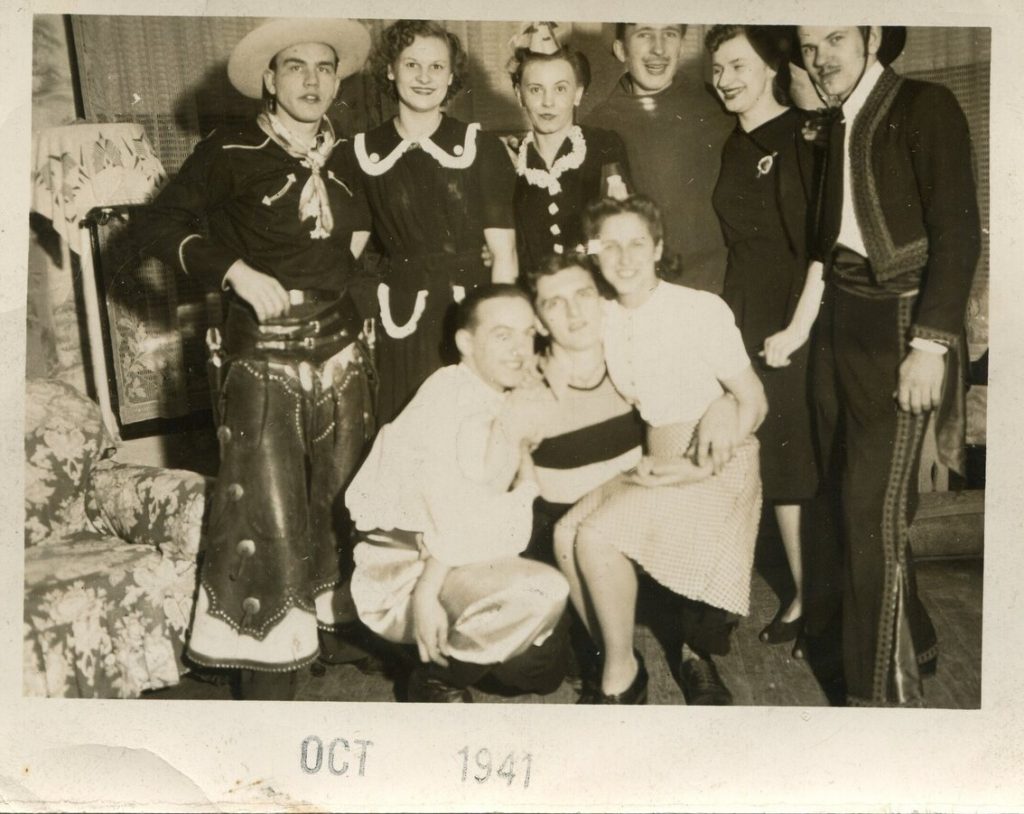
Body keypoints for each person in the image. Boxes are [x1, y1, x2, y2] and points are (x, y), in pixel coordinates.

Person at [135, 18, 377, 699]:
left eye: (324, 68)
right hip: (262, 363)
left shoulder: (350, 154)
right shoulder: (230, 148)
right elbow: (156, 225)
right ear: (268, 80)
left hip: (344, 358)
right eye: (293, 67)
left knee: (341, 500)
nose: (311, 81)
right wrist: (233, 270)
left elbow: (361, 236)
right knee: (263, 518)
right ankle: (266, 690)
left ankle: (328, 630)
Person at [794, 25, 980, 706]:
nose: (823, 57)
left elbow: (959, 232)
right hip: (841, 322)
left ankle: (875, 704)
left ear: (872, 36)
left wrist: (930, 344)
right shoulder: (831, 119)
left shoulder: (925, 106)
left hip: (903, 325)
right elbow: (827, 241)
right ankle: (919, 642)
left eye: (837, 37)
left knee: (869, 510)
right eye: (810, 45)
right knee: (856, 499)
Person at [553, 196, 768, 705]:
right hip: (655, 457)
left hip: (721, 456)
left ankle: (675, 665)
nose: (624, 259)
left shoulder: (698, 308)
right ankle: (618, 658)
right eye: (610, 246)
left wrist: (719, 407)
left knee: (597, 537)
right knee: (566, 534)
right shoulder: (599, 318)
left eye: (636, 244)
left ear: (658, 249)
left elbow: (754, 400)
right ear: (594, 254)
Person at [346, 285, 570, 703]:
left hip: (458, 551)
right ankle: (435, 679)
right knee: (545, 594)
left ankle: (467, 647)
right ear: (465, 343)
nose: (521, 349)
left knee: (544, 670)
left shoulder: (489, 389)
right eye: (503, 336)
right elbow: (455, 519)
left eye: (527, 334)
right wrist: (428, 594)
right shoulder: (455, 400)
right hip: (414, 570)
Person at [706, 25, 822, 656]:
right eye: (718, 68)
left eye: (738, 65)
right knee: (772, 460)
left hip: (790, 314)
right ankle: (805, 594)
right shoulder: (734, 143)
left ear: (771, 67)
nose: (725, 78)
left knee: (794, 460)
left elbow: (818, 251)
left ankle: (812, 598)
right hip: (744, 309)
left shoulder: (802, 137)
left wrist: (797, 327)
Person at [355, 20, 518, 423]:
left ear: (451, 76)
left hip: (467, 315)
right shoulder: (360, 151)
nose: (424, 78)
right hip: (400, 321)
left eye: (436, 67)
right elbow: (349, 251)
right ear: (390, 70)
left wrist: (499, 334)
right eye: (412, 65)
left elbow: (505, 254)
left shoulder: (481, 148)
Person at [586, 24, 733, 294]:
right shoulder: (599, 126)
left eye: (670, 34)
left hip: (723, 282)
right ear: (621, 49)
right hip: (649, 290)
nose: (658, 48)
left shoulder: (719, 103)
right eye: (644, 34)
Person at [508, 23, 632, 274]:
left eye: (560, 88)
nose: (548, 102)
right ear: (519, 95)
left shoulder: (604, 146)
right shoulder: (508, 160)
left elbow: (623, 228)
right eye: (535, 89)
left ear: (578, 94)